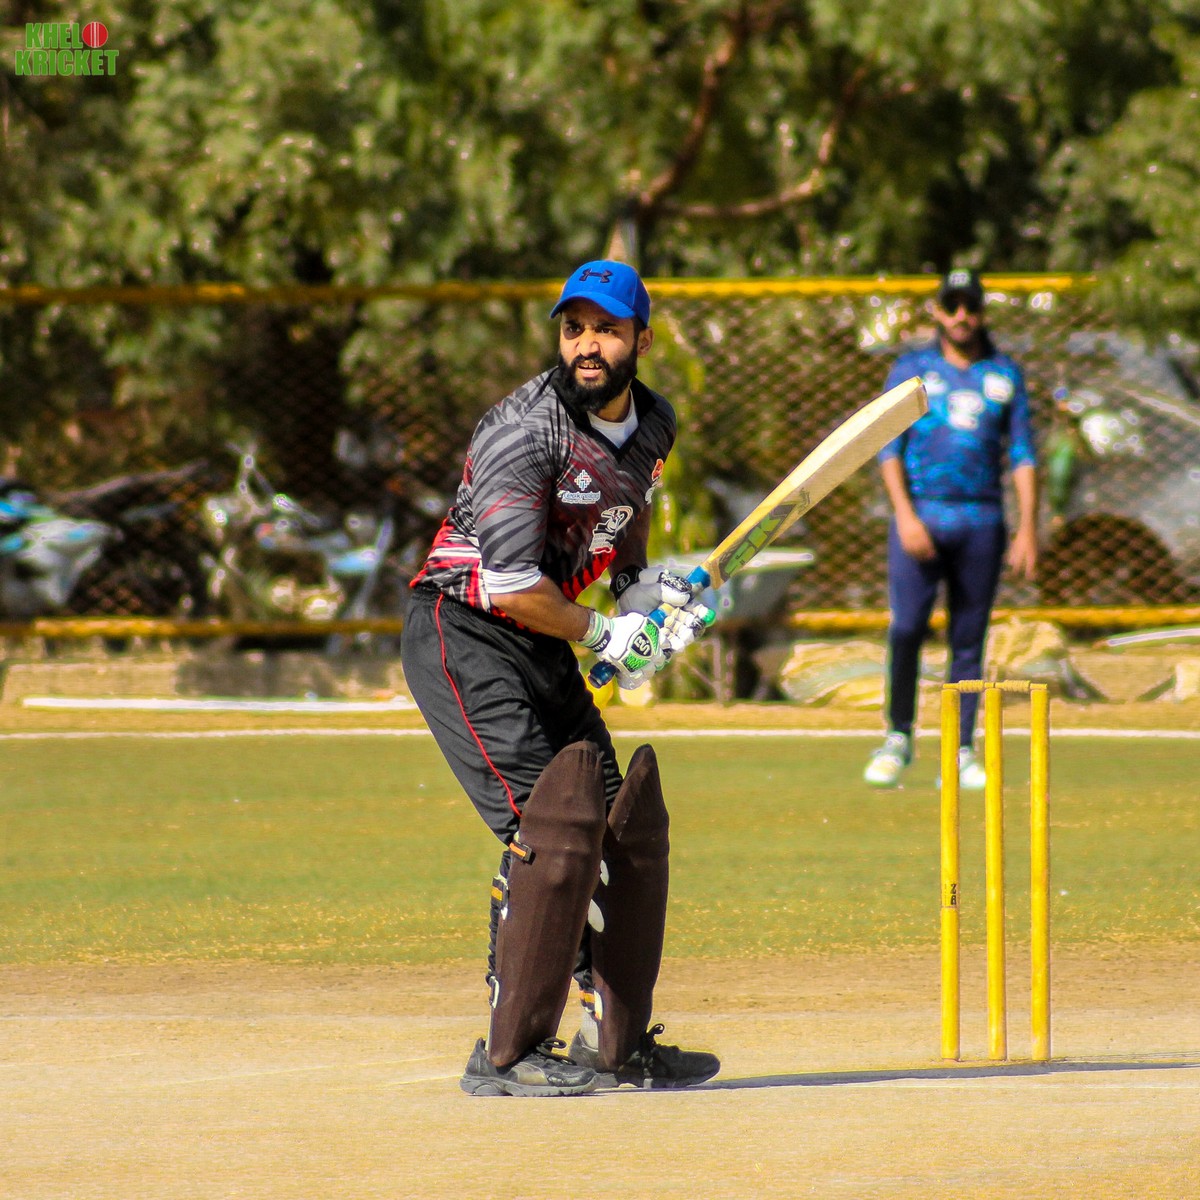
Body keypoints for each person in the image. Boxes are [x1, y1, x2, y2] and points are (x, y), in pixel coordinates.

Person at [401, 259, 721, 1096]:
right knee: (553, 834)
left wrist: (640, 591)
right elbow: (510, 585)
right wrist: (606, 632)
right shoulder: (522, 432)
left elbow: (624, 510)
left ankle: (616, 1044)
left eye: (606, 330)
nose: (586, 345)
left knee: (618, 826)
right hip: (464, 631)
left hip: (542, 640)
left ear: (640, 341)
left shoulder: (655, 423)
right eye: (573, 328)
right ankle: (508, 1053)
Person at [864, 267, 1039, 789]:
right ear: (938, 310)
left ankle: (961, 749)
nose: (962, 315)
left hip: (982, 519)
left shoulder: (1004, 373)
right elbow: (888, 448)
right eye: (952, 304)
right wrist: (905, 515)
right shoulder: (912, 369)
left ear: (982, 311)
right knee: (906, 629)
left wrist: (1028, 528)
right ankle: (898, 736)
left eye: (971, 305)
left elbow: (1023, 454)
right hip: (923, 516)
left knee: (968, 639)